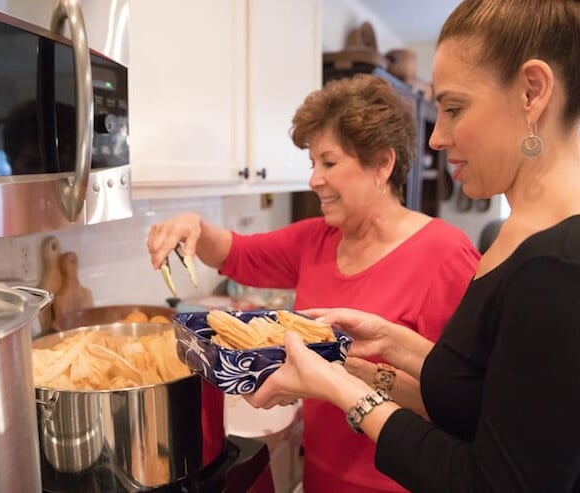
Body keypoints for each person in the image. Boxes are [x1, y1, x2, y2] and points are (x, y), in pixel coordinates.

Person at [245, 0, 580, 491]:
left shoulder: (558, 267)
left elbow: (491, 481)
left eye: (454, 108)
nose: (437, 137)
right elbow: (486, 405)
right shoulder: (519, 236)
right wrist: (390, 343)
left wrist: (341, 390)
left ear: (532, 91)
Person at [148, 73, 479, 493]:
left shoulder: (446, 255)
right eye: (312, 164)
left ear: (382, 163)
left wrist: (347, 373)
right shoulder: (316, 240)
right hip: (320, 475)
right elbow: (237, 254)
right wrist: (191, 224)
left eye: (329, 162)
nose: (313, 179)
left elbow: (460, 406)